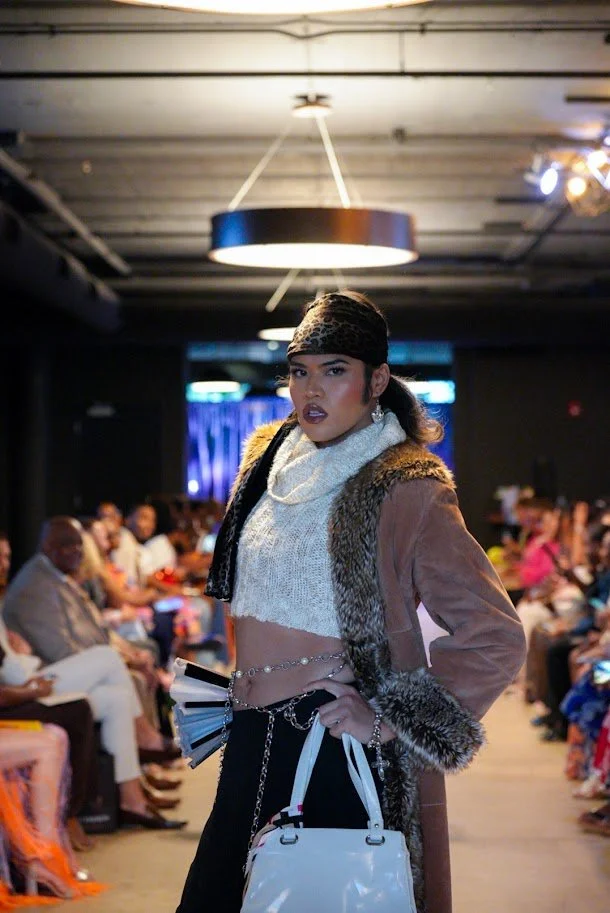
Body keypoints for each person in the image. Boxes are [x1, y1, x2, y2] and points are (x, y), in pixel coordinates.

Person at [176, 291, 526, 913]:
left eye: (335, 371)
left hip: (334, 740)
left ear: (377, 381)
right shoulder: (266, 463)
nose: (311, 389)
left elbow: (494, 634)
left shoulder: (407, 487)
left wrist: (391, 718)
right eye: (299, 371)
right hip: (251, 732)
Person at [2, 520, 185, 830]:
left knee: (115, 698)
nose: (77, 552)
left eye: (6, 557)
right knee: (107, 659)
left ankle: (131, 799)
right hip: (30, 684)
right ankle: (146, 737)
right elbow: (58, 650)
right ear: (48, 548)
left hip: (35, 676)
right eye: (68, 545)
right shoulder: (35, 583)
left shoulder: (52, 578)